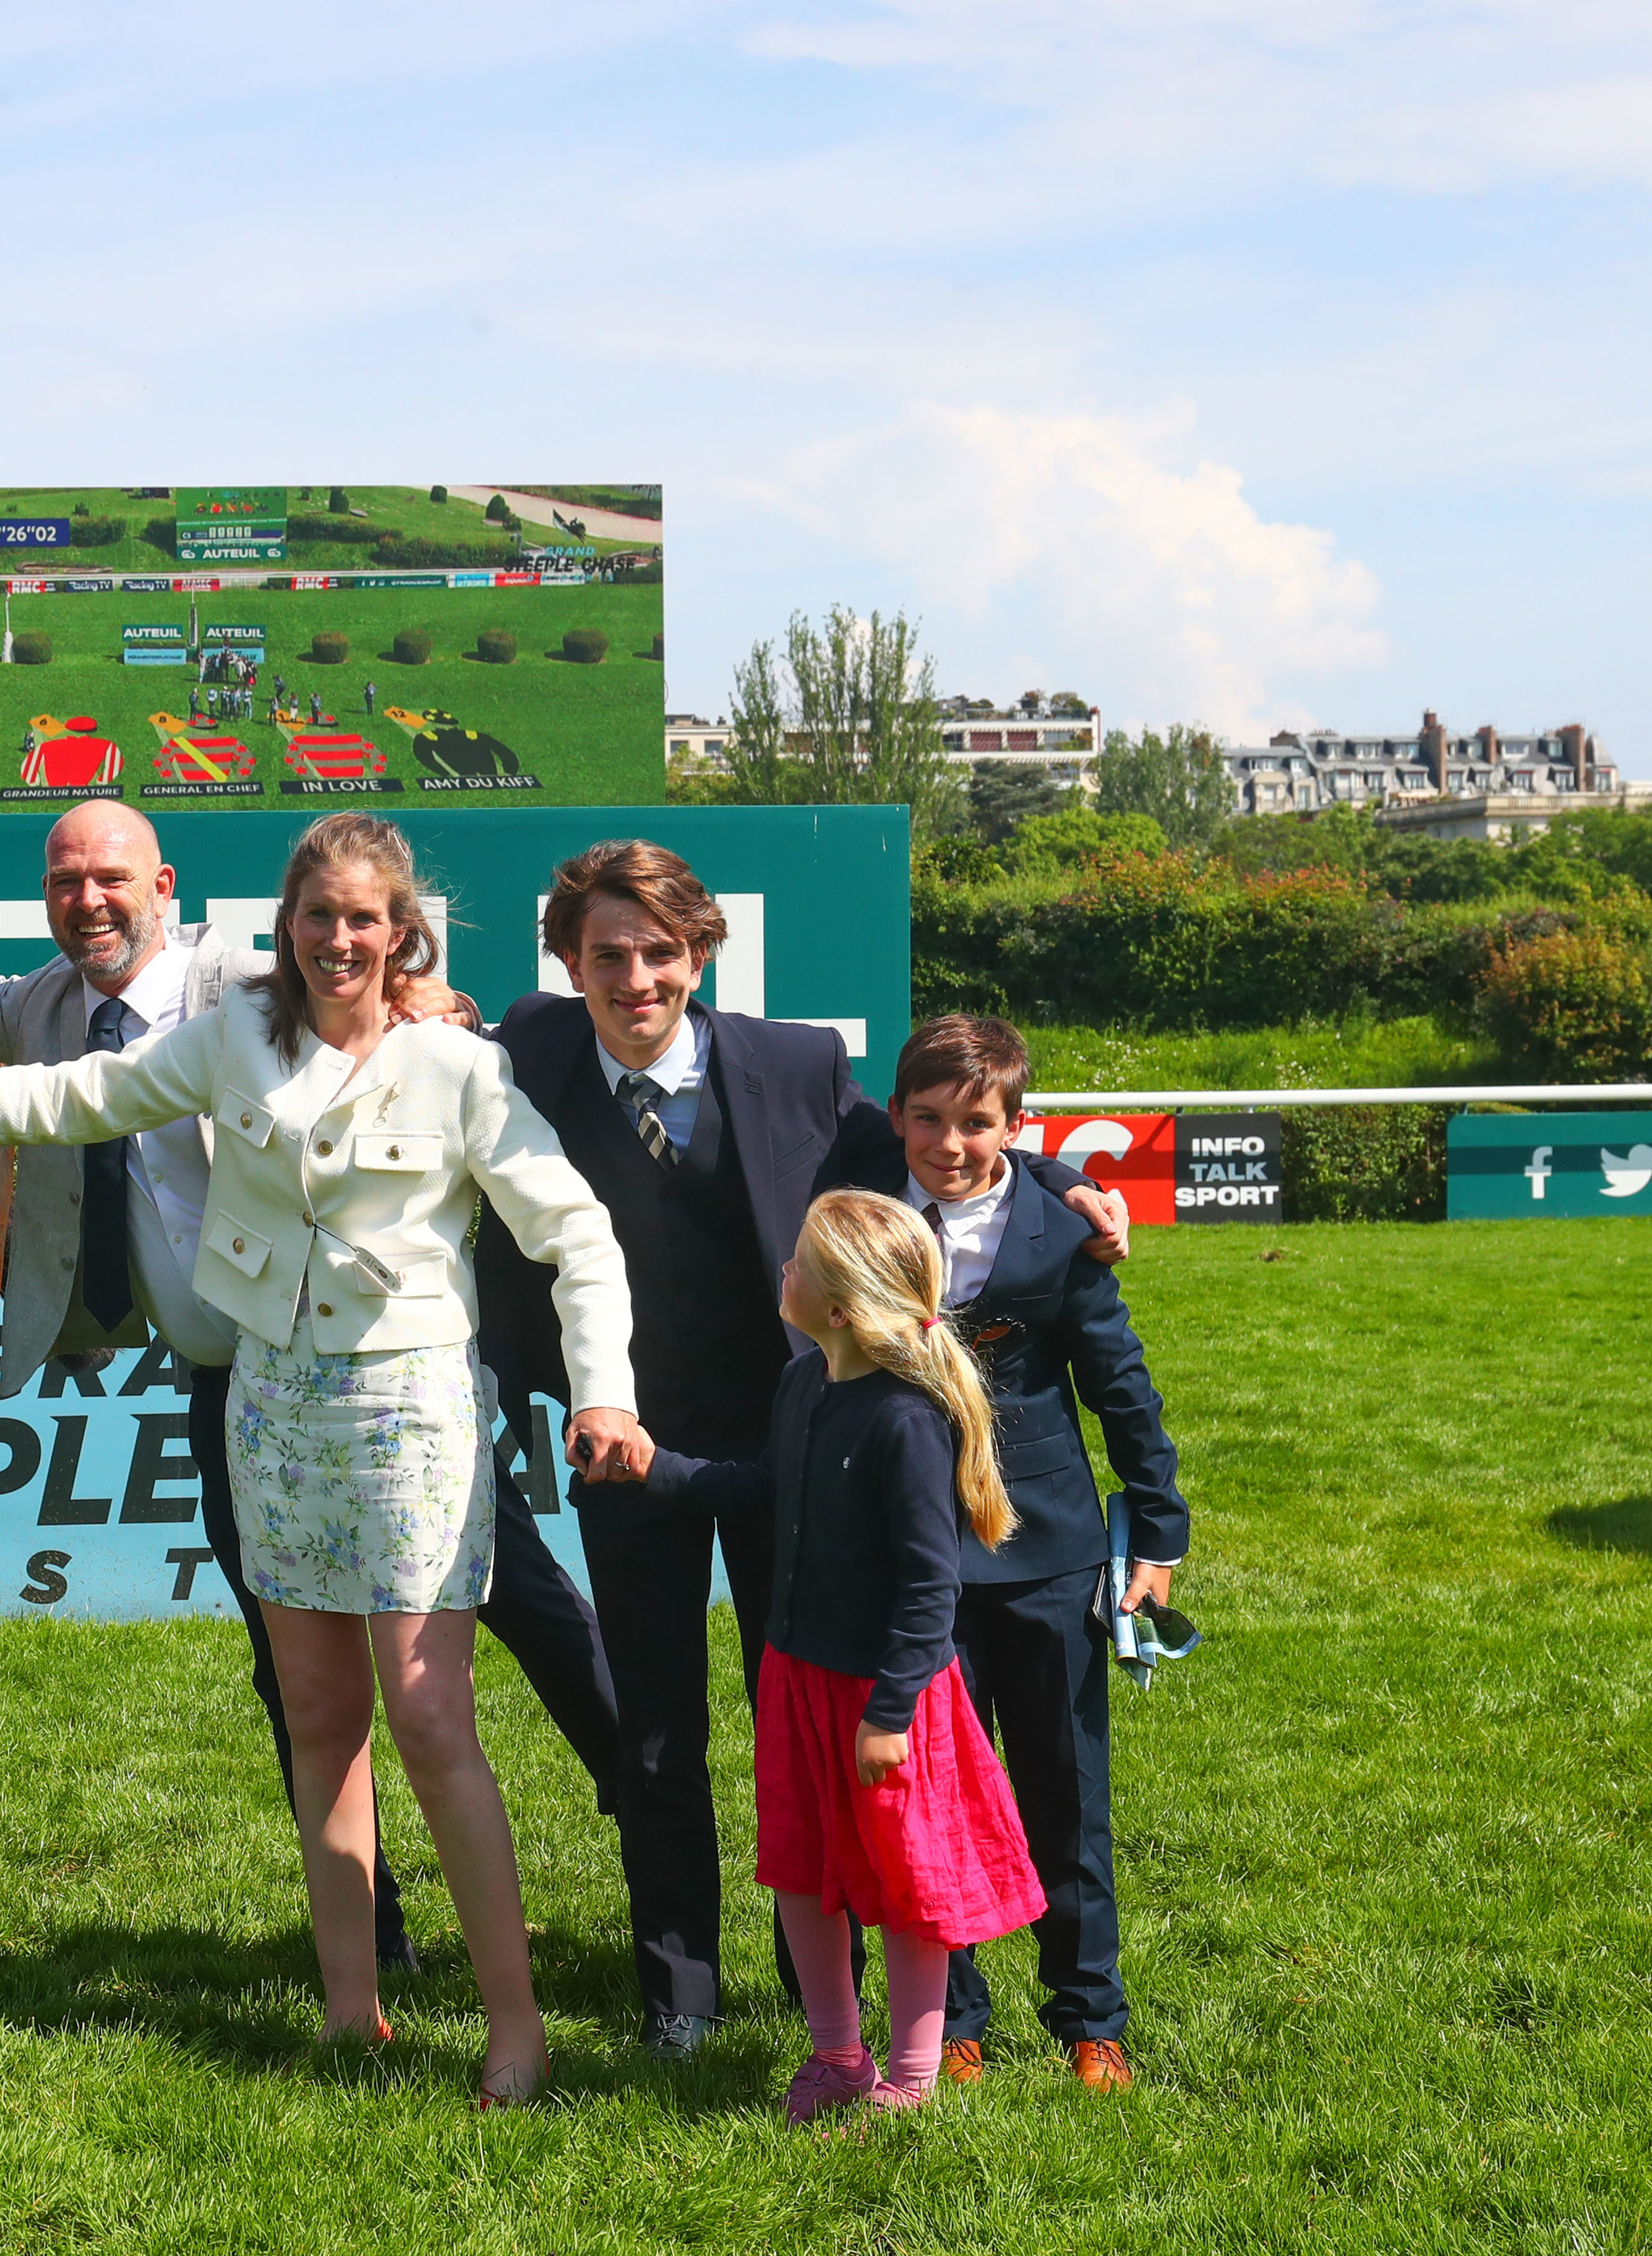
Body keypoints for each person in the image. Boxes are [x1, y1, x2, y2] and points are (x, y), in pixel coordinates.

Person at [0, 813, 637, 2108]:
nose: (340, 941)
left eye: (365, 921)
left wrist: (606, 1395)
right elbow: (77, 1096)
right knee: (318, 1718)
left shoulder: (460, 1067)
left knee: (428, 1720)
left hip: (414, 1414)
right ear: (284, 932)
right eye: (318, 918)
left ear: (401, 932)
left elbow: (578, 1237)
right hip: (271, 1406)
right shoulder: (236, 1031)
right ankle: (353, 2016)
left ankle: (513, 2026)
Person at [473, 837, 1128, 2056]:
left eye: (661, 953)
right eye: (607, 955)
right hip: (626, 1450)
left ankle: (814, 1984)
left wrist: (1055, 1186)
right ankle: (680, 1995)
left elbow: (942, 1147)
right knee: (656, 1728)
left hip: (803, 1447)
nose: (635, 979)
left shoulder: (795, 1063)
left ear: (700, 952)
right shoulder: (527, 1052)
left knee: (806, 1723)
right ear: (569, 962)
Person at [0, 799, 426, 1967]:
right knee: (294, 1662)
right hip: (229, 1376)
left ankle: (640, 1837)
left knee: (478, 1651)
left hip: (370, 1371)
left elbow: (368, 971)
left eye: (110, 878)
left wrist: (425, 996)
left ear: (165, 883)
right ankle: (375, 1921)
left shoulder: (242, 983)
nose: (89, 901)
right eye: (65, 882)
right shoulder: (43, 1009)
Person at [640, 1190, 1046, 2121]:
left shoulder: (904, 1421)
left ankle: (910, 2076)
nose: (780, 1269)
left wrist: (891, 1712)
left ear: (837, 1306)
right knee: (799, 1868)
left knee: (908, 1884)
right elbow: (763, 1487)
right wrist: (655, 1468)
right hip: (797, 1677)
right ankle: (838, 2057)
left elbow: (928, 1587)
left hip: (885, 1700)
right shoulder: (803, 1385)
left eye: (798, 1263)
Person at [883, 1015, 1188, 2093]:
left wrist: (1158, 1526)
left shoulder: (1062, 1236)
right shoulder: (871, 1223)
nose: (951, 1144)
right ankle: (951, 2017)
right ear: (897, 1123)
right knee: (937, 1800)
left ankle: (1089, 2019)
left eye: (977, 1123)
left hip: (1049, 1555)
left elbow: (1121, 1386)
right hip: (915, 1560)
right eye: (928, 1120)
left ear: (1016, 1127)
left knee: (1066, 1796)